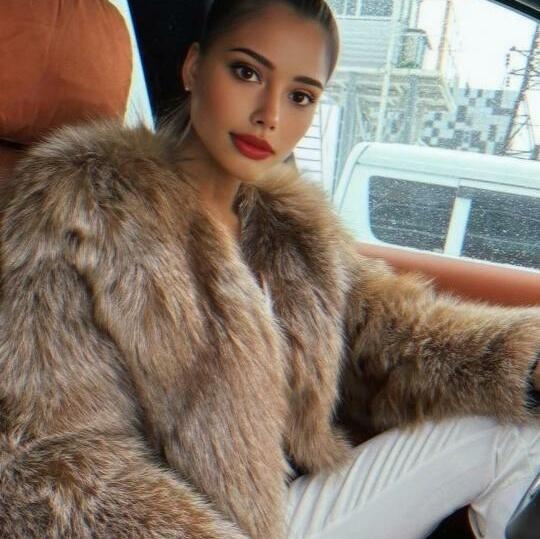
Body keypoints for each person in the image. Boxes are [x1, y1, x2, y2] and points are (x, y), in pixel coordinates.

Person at [0, 0, 538, 538]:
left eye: (300, 96)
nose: (270, 115)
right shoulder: (81, 209)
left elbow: (389, 337)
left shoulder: (293, 228)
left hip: (292, 508)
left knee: (512, 428)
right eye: (246, 73)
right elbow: (44, 452)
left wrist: (519, 360)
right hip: (189, 526)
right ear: (193, 68)